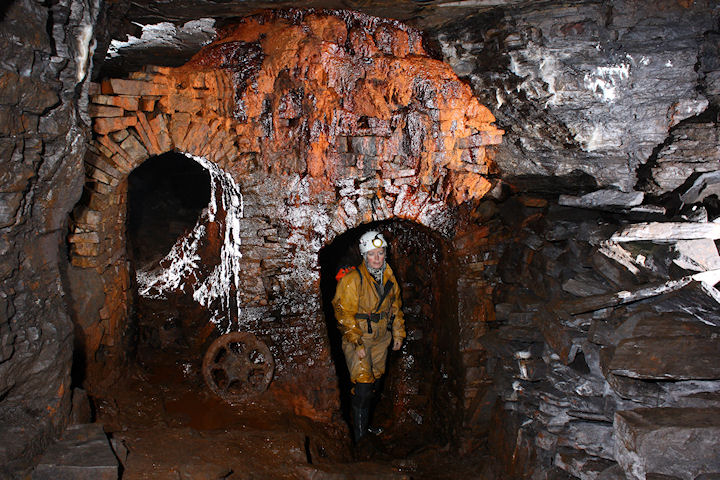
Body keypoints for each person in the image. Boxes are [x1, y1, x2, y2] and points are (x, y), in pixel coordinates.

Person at [332, 230, 405, 443]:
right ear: (364, 256)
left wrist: (398, 333)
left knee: (375, 384)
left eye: (380, 253)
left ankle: (365, 425)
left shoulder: (389, 277)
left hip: (382, 339)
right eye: (372, 254)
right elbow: (343, 313)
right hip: (360, 338)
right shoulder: (352, 280)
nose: (376, 258)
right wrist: (355, 341)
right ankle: (359, 437)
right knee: (363, 386)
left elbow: (395, 307)